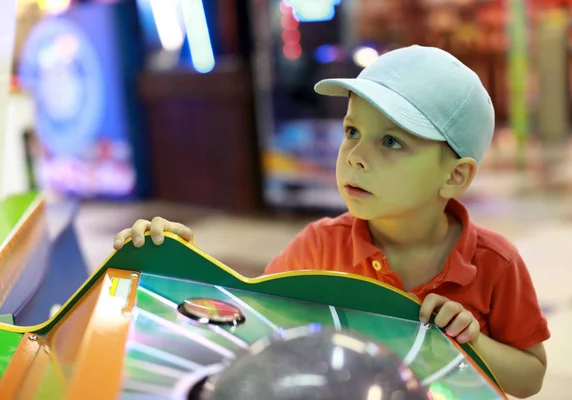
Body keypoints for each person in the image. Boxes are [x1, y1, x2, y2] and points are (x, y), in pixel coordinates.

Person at [113, 45, 549, 398]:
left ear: (455, 175)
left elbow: (529, 378)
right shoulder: (318, 247)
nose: (355, 156)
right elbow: (252, 331)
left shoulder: (497, 263)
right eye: (352, 131)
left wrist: (471, 342)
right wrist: (168, 265)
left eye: (391, 141)